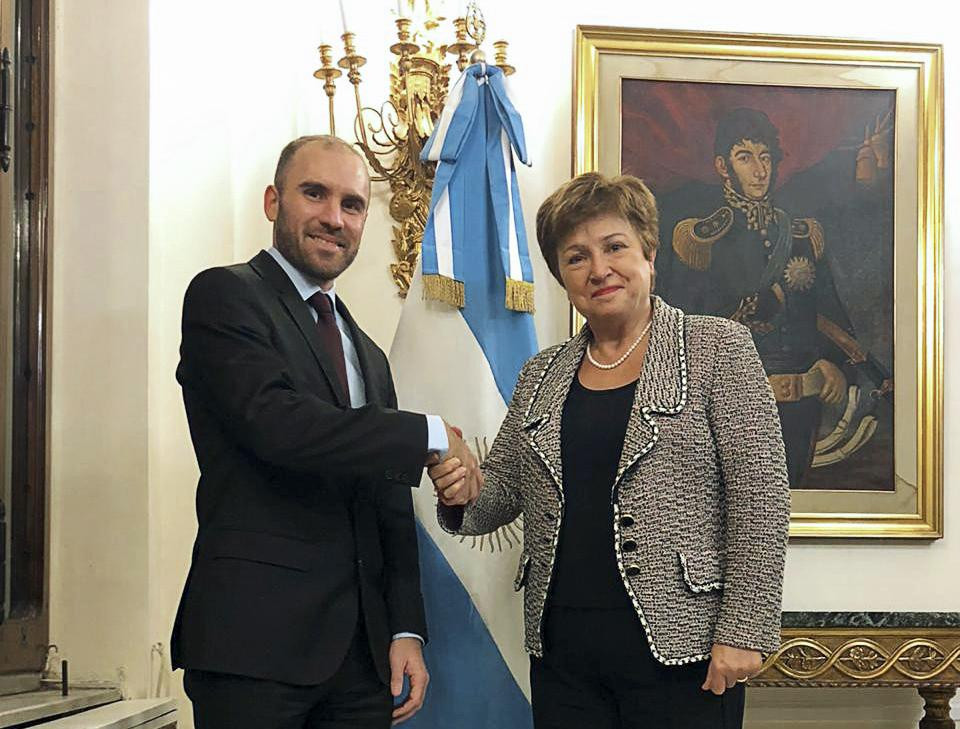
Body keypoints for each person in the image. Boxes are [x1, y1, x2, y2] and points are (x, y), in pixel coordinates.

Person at [428, 173, 790, 728]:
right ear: (563, 277)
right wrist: (464, 487)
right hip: (563, 653)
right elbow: (500, 493)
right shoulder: (541, 374)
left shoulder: (719, 348)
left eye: (614, 247)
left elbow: (760, 500)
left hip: (682, 651)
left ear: (648, 252)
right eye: (576, 257)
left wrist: (743, 631)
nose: (598, 269)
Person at [171, 135, 477, 729]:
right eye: (315, 193)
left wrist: (405, 627)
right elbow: (281, 427)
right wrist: (431, 434)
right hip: (252, 650)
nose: (334, 218)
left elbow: (387, 502)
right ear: (272, 201)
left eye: (353, 204)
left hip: (361, 662)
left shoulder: (367, 352)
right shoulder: (224, 296)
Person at [669, 107, 871, 487]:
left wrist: (835, 367)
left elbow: (828, 314)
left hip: (801, 405)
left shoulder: (800, 235)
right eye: (745, 158)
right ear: (723, 166)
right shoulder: (702, 240)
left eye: (765, 157)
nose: (760, 170)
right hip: (731, 407)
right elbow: (683, 329)